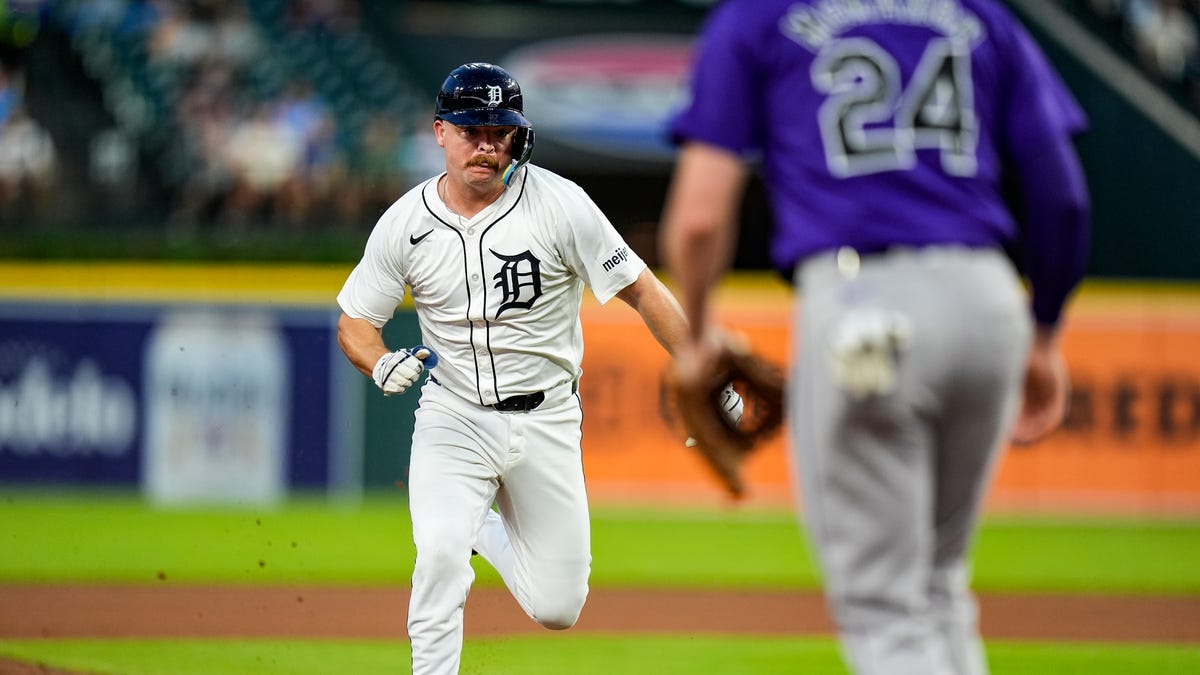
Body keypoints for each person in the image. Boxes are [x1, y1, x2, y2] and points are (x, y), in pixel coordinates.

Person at [660, 2, 1090, 674]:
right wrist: (1046, 333)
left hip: (862, 301)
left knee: (885, 610)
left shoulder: (756, 16)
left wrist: (696, 335)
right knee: (939, 583)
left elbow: (698, 219)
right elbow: (1062, 197)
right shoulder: (979, 13)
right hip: (988, 294)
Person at [335, 62, 731, 675]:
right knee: (439, 557)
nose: (486, 144)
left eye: (500, 130)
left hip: (547, 418)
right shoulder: (405, 223)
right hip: (453, 413)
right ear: (440, 131)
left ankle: (481, 526)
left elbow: (644, 290)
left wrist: (704, 368)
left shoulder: (560, 204)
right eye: (471, 129)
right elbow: (356, 321)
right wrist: (379, 360)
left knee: (558, 606)